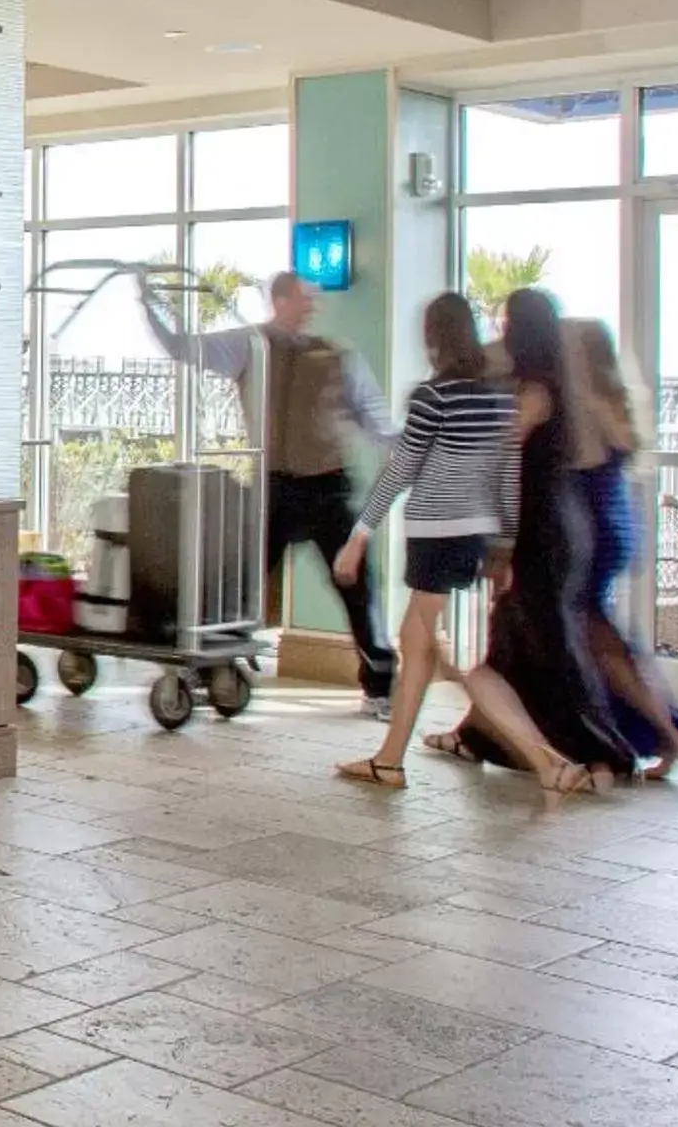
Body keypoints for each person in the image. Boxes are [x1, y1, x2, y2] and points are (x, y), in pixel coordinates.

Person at [140, 268, 398, 715]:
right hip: (272, 488)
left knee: (357, 585)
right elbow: (184, 349)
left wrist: (408, 453)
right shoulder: (249, 345)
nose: (311, 307)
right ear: (279, 300)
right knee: (237, 582)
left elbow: (376, 418)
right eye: (303, 299)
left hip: (328, 488)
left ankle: (379, 687)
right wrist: (149, 304)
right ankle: (208, 667)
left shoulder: (338, 356)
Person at [427, 288, 635, 793]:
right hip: (554, 525)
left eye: (506, 322)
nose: (500, 331)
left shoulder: (535, 391)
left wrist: (499, 543)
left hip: (541, 530)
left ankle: (597, 754)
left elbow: (504, 460)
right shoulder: (547, 382)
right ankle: (482, 736)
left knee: (549, 644)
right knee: (516, 642)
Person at [332, 293, 514, 787]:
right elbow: (507, 472)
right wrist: (507, 540)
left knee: (430, 648)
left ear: (433, 336)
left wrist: (360, 533)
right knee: (418, 640)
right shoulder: (497, 396)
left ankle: (540, 755)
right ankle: (389, 759)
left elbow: (401, 470)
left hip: (435, 531)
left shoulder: (435, 396)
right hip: (476, 532)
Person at [569, 319, 678, 777]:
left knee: (602, 640)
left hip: (595, 527)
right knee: (601, 637)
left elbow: (602, 454)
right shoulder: (616, 397)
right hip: (612, 520)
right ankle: (661, 733)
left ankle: (667, 732)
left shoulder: (592, 401)